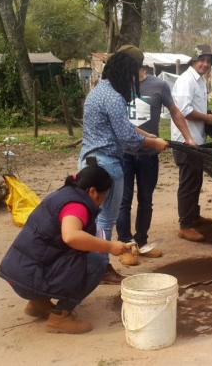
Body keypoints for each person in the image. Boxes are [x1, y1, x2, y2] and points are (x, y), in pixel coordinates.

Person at [0, 166, 131, 334]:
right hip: (28, 278)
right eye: (103, 194)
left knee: (75, 255)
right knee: (97, 263)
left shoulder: (63, 194)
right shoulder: (77, 206)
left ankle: (39, 304)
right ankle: (60, 317)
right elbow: (71, 237)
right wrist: (110, 246)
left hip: (17, 271)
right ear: (92, 191)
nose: (103, 198)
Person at [79, 51, 169, 284]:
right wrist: (154, 142)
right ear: (123, 74)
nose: (133, 82)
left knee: (93, 218)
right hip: (107, 163)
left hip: (88, 161)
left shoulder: (97, 92)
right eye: (132, 77)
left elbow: (121, 126)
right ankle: (102, 267)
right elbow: (128, 140)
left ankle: (92, 264)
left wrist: (144, 132)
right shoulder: (114, 97)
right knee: (106, 220)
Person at [114, 45, 197, 266]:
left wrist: (187, 137)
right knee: (123, 201)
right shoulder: (118, 85)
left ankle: (141, 243)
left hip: (148, 154)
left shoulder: (158, 85)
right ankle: (124, 245)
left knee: (146, 199)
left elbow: (175, 112)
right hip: (124, 153)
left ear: (138, 65)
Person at [171, 45, 212, 242]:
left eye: (208, 61)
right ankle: (185, 225)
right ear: (193, 60)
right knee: (189, 182)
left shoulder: (200, 81)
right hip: (185, 140)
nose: (205, 64)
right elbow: (184, 111)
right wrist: (207, 118)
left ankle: (194, 215)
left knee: (196, 180)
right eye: (202, 60)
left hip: (197, 139)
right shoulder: (185, 81)